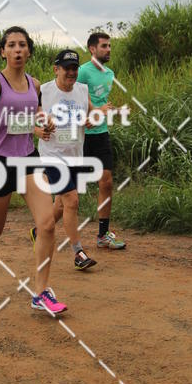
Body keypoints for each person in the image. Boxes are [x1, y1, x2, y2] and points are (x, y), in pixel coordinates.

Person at [0, 26, 67, 314]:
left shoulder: (34, 85)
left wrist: (43, 125)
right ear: (3, 51)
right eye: (11, 45)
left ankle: (41, 291)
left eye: (22, 45)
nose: (18, 49)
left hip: (29, 161)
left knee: (47, 223)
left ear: (29, 51)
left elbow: (26, 120)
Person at [32, 49, 98, 271]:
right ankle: (78, 252)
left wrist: (93, 119)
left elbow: (94, 112)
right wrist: (37, 130)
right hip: (52, 155)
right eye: (66, 68)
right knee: (71, 200)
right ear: (56, 69)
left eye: (74, 68)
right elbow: (24, 119)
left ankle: (38, 230)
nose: (71, 73)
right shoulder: (44, 91)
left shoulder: (82, 89)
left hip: (75, 154)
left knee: (61, 204)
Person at [77, 32, 126, 250]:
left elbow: (99, 102)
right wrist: (95, 112)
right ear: (92, 49)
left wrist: (104, 111)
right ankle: (42, 228)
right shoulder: (82, 72)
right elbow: (76, 99)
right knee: (68, 192)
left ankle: (103, 235)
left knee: (106, 182)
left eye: (109, 46)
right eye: (104, 46)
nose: (108, 49)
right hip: (81, 136)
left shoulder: (109, 73)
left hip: (101, 134)